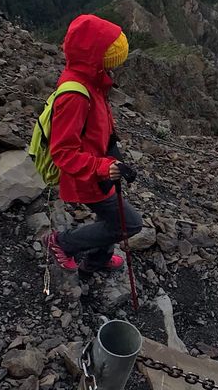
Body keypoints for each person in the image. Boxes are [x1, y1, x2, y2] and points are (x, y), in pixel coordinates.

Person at [45, 14, 143, 273]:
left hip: (102, 165)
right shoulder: (75, 95)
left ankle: (98, 260)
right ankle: (62, 243)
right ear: (94, 57)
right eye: (110, 60)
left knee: (110, 216)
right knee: (128, 224)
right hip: (88, 175)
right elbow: (62, 152)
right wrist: (102, 168)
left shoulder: (92, 78)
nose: (114, 67)